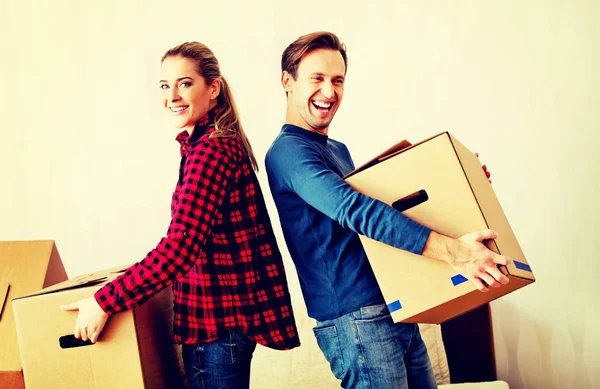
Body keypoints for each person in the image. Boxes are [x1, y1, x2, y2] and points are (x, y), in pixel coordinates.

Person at [265, 31, 509, 389]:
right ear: (287, 81)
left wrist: (460, 185)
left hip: (393, 304)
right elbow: (356, 210)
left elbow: (390, 207)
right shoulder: (288, 152)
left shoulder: (336, 149)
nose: (329, 92)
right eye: (316, 78)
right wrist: (456, 253)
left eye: (338, 80)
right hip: (355, 319)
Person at [61, 41, 300, 389]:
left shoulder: (211, 151)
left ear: (212, 87)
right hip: (222, 324)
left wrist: (104, 301)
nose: (172, 95)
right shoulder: (210, 144)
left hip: (217, 326)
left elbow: (180, 247)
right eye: (164, 85)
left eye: (184, 83)